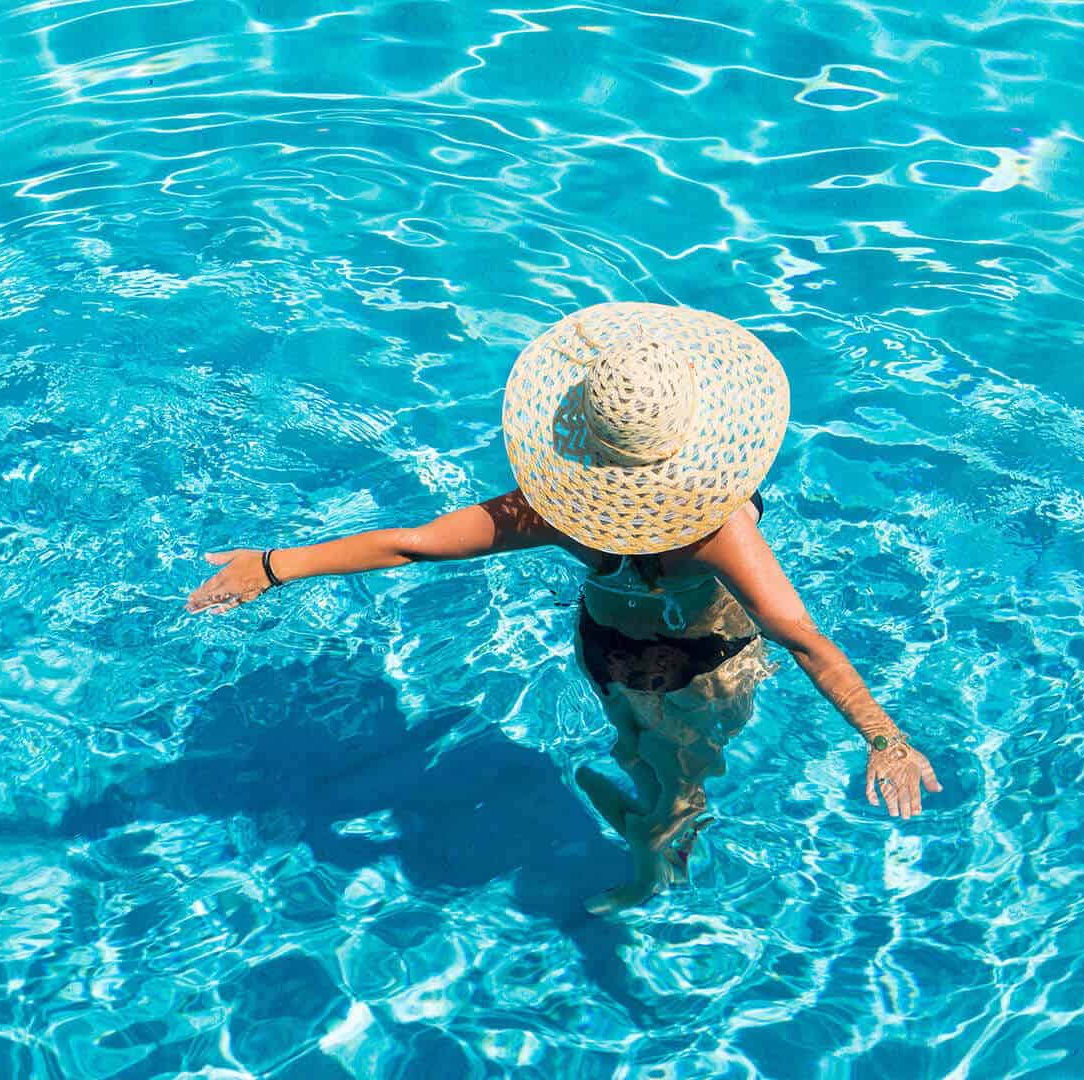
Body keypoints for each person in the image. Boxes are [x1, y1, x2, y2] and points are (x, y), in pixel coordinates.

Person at [187, 302, 941, 911]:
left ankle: (647, 812)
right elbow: (800, 637)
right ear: (703, 436)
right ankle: (653, 873)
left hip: (604, 650)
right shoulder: (721, 528)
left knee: (637, 748)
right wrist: (884, 738)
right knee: (679, 785)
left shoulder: (552, 511)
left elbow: (413, 544)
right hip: (700, 671)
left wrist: (272, 565)